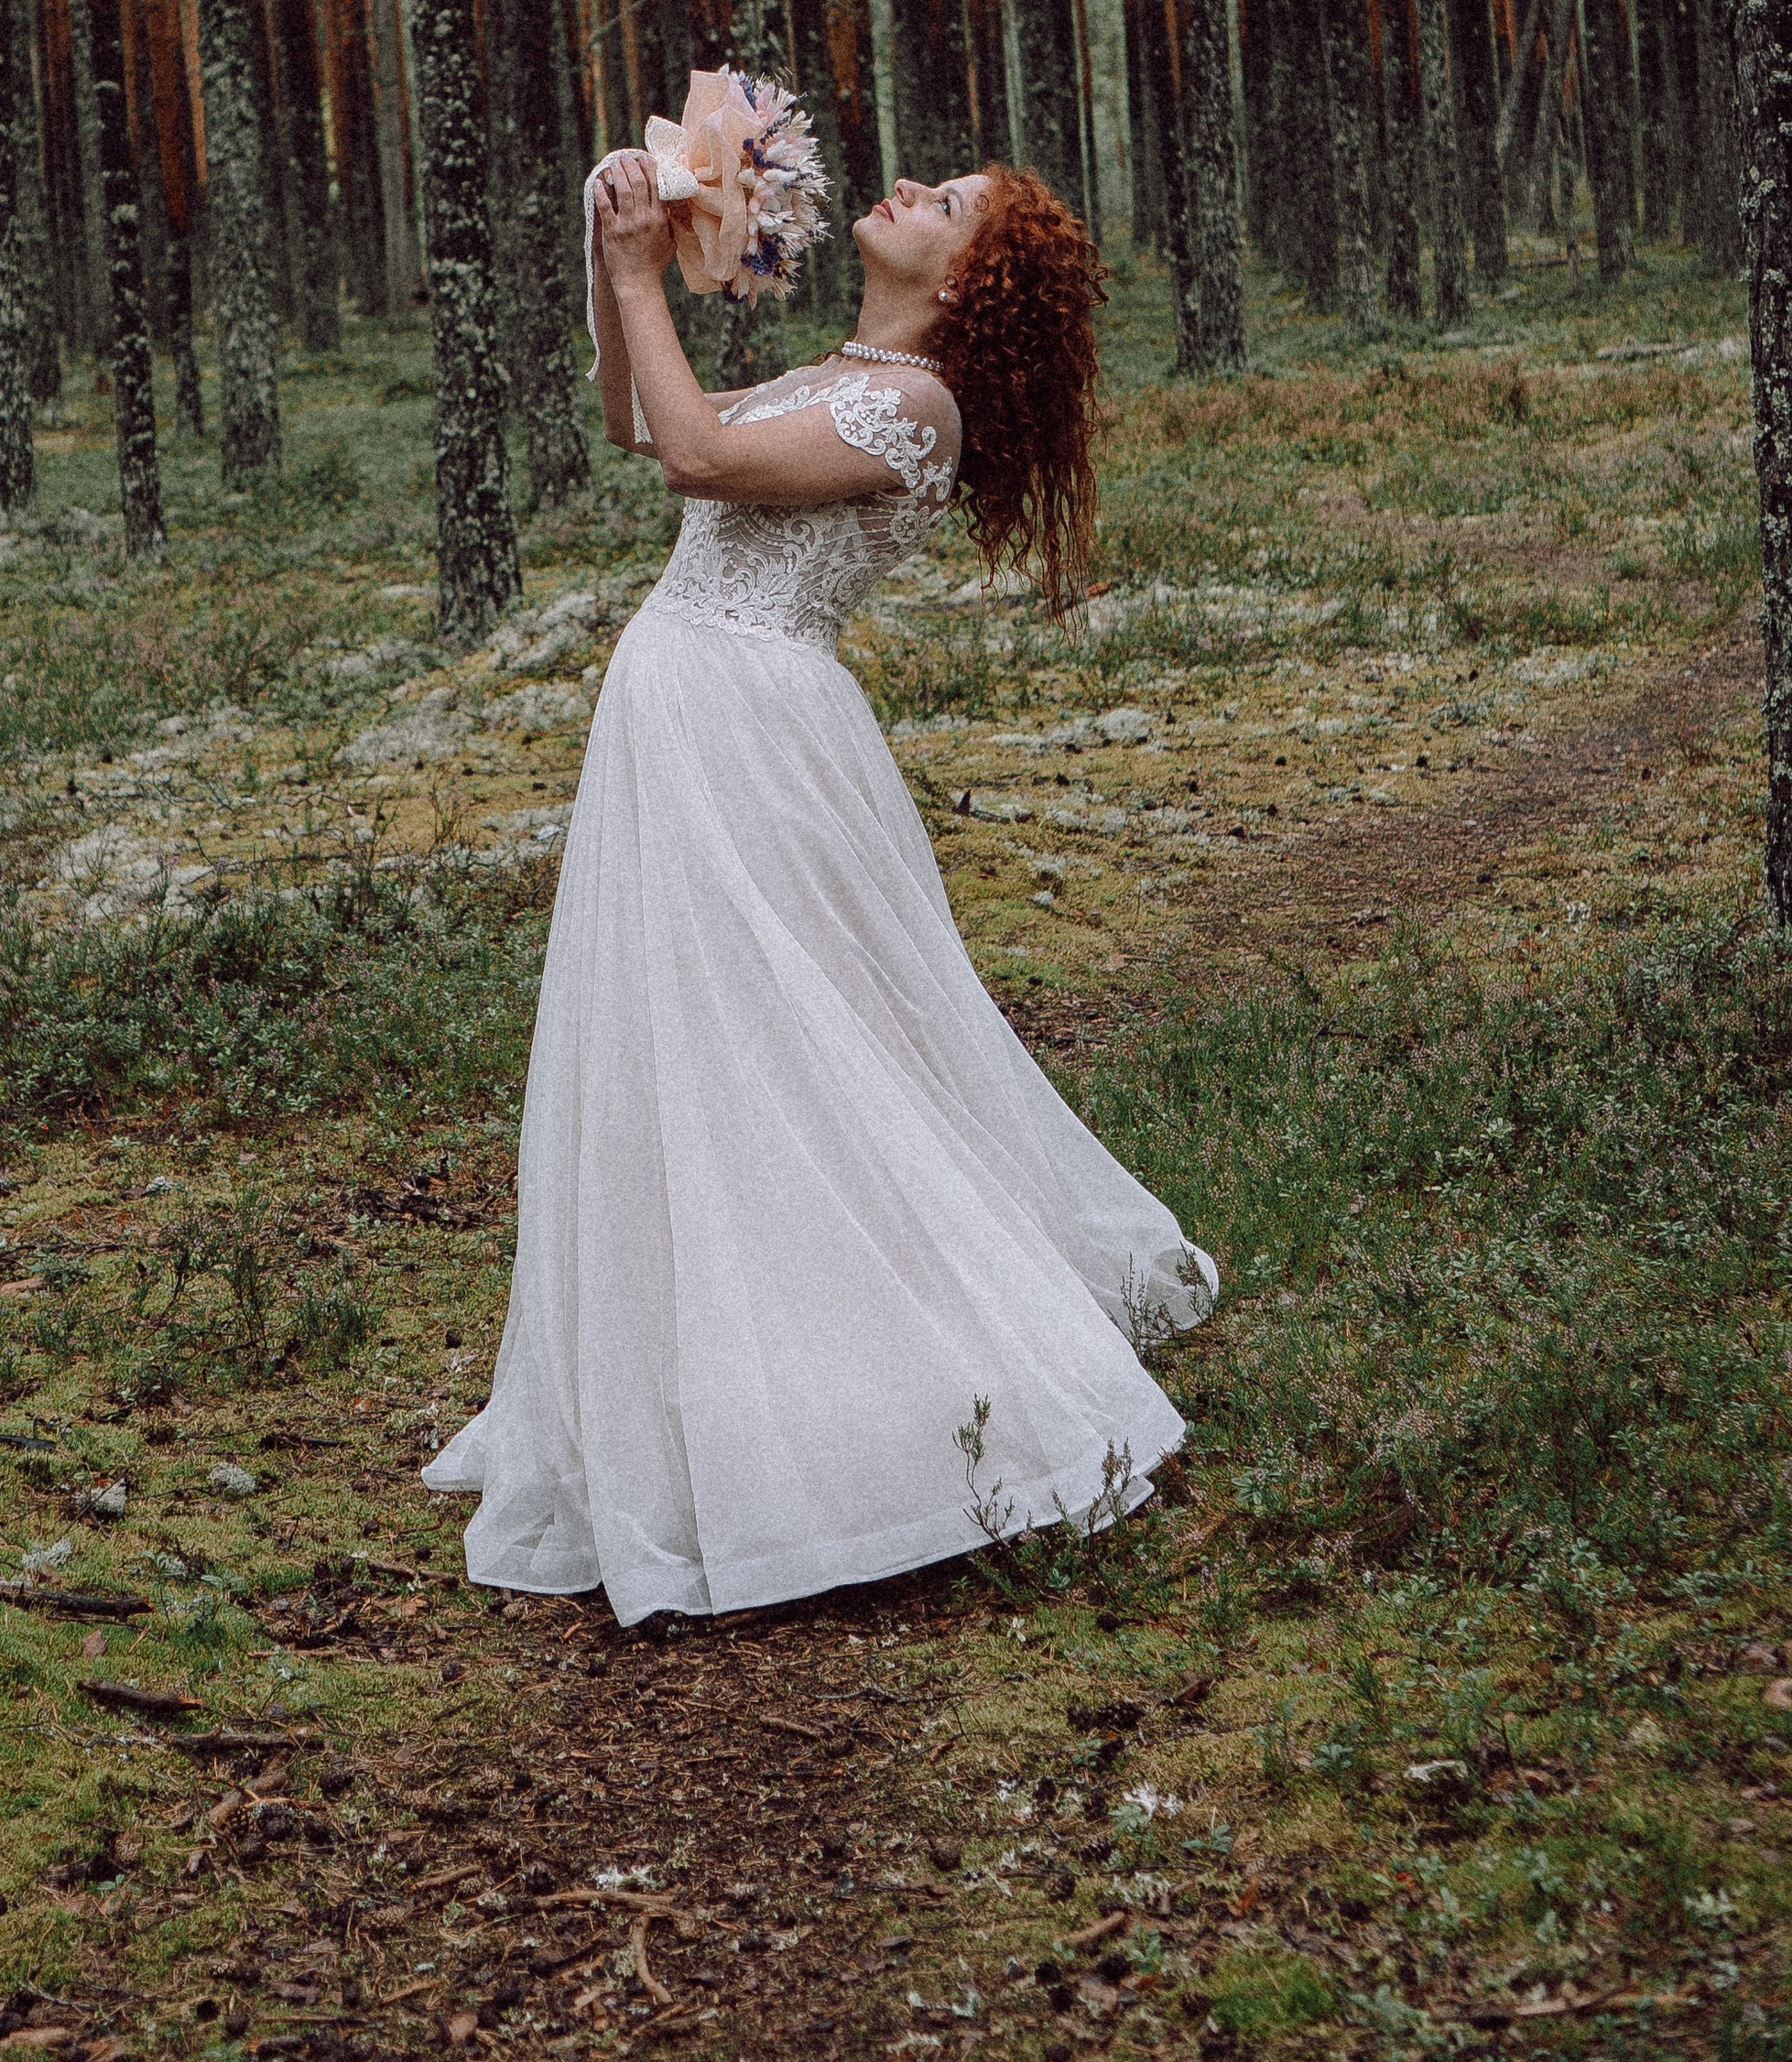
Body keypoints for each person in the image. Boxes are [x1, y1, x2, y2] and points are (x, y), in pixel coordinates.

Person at [422, 160, 1216, 1624]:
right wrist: (621, 261)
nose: (908, 186)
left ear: (969, 278)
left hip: (749, 731)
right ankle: (719, 1386)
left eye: (947, 202)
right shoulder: (840, 368)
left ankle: (873, 1403)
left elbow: (703, 464)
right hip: (684, 710)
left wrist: (654, 286)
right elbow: (638, 419)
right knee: (691, 1056)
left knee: (792, 1054)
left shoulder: (919, 408)